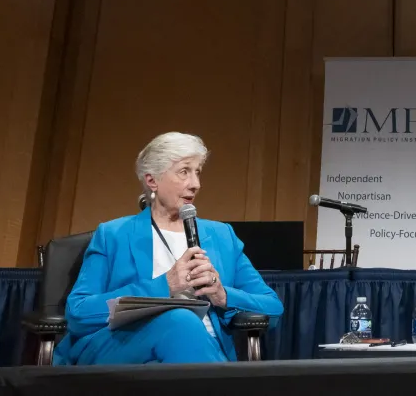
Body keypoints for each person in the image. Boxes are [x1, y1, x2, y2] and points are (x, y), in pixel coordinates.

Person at [55, 132, 284, 364]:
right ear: (152, 180)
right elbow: (79, 313)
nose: (196, 184)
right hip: (124, 346)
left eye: (197, 172)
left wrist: (221, 294)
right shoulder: (113, 234)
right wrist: (166, 285)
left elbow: (272, 307)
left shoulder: (222, 236)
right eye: (184, 171)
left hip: (204, 350)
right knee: (180, 320)